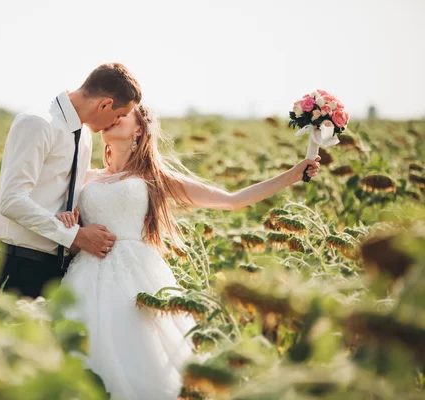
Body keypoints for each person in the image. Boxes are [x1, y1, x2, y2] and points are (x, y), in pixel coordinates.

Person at [56, 104, 321, 399]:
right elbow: (62, 219)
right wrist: (68, 224)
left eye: (123, 116)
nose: (112, 119)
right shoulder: (85, 178)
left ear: (139, 129)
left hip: (137, 278)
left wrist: (291, 176)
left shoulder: (152, 177)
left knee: (143, 358)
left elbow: (232, 200)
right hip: (86, 275)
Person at [0, 63, 142, 298]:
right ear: (105, 104)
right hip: (21, 265)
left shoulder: (83, 137)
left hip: (62, 271)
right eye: (119, 115)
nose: (116, 123)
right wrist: (78, 236)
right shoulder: (38, 123)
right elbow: (11, 201)